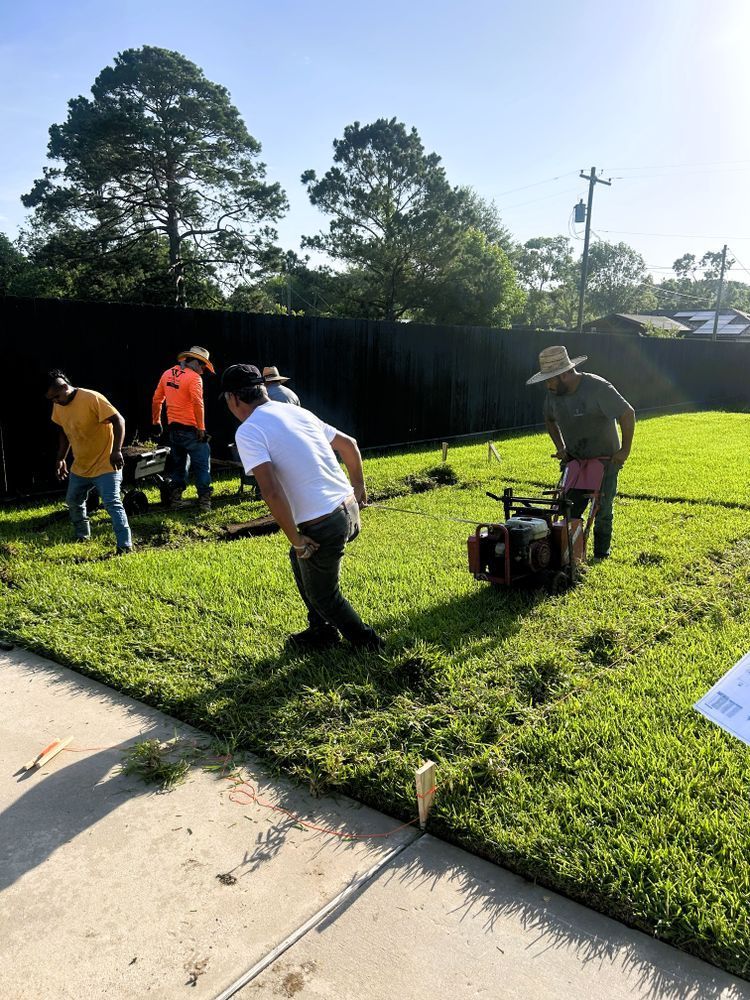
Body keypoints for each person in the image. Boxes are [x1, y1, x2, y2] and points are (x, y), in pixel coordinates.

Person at [221, 363, 384, 652]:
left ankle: (369, 644)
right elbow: (350, 444)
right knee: (299, 560)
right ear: (263, 388)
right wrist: (359, 488)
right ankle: (321, 630)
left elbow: (271, 491)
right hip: (349, 510)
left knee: (325, 596)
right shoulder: (298, 411)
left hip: (324, 523)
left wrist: (297, 540)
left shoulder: (249, 431)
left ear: (233, 398)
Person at [526, 345, 635, 560]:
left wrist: (625, 450)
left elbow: (627, 413)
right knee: (567, 508)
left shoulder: (597, 387)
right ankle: (569, 554)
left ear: (565, 374)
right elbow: (549, 419)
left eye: (550, 379)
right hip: (574, 461)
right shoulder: (554, 393)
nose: (547, 385)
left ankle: (601, 554)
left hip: (605, 460)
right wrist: (560, 447)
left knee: (602, 510)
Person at [45, 369, 133, 554]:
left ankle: (125, 546)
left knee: (112, 502)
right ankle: (82, 536)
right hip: (81, 466)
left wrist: (116, 451)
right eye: (52, 399)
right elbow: (63, 431)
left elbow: (119, 420)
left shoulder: (92, 398)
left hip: (106, 464)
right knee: (73, 500)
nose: (55, 401)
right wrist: (61, 458)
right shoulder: (58, 405)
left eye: (56, 397)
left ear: (64, 387)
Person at [152, 346, 215, 511]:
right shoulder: (194, 378)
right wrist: (201, 428)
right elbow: (197, 403)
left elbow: (157, 399)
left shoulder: (167, 374)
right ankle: (204, 502)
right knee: (202, 465)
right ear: (195, 362)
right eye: (202, 366)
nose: (202, 371)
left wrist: (156, 421)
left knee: (179, 466)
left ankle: (176, 500)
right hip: (192, 430)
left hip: (174, 431)